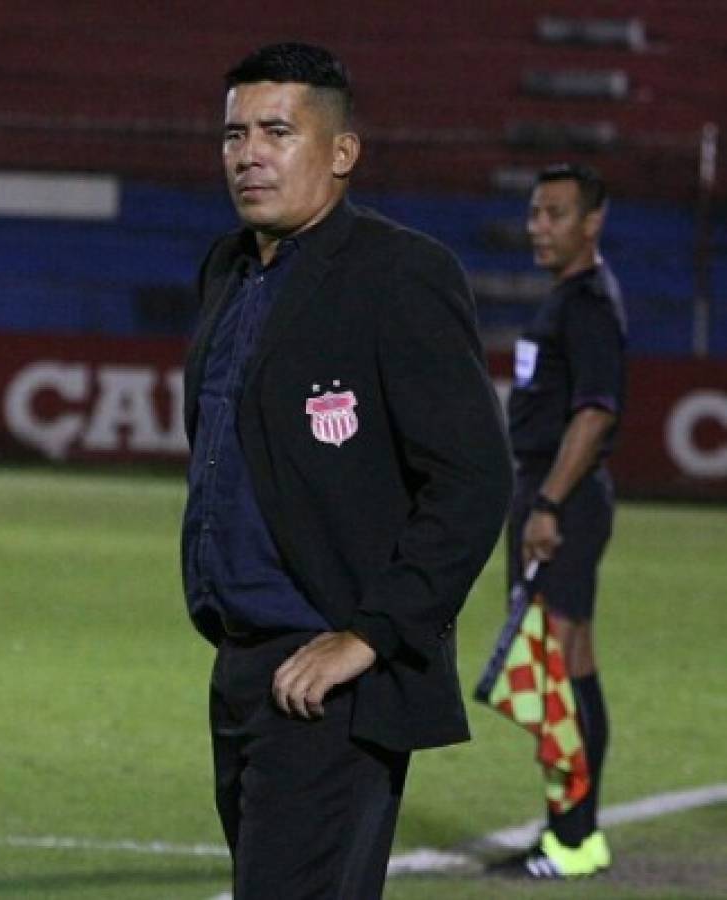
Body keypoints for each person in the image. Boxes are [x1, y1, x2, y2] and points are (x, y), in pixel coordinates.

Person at [180, 42, 512, 899]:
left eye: (277, 131)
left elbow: (474, 481)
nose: (248, 152)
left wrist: (368, 635)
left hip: (333, 678)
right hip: (242, 665)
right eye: (233, 134)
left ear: (341, 153)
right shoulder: (226, 269)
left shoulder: (400, 275)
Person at [506, 163, 627, 878]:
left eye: (554, 214)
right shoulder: (568, 299)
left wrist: (549, 502)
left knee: (560, 662)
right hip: (549, 494)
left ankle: (575, 835)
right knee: (560, 665)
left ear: (592, 221)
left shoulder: (587, 303)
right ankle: (569, 829)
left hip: (565, 501)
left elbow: (596, 409)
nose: (538, 227)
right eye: (533, 213)